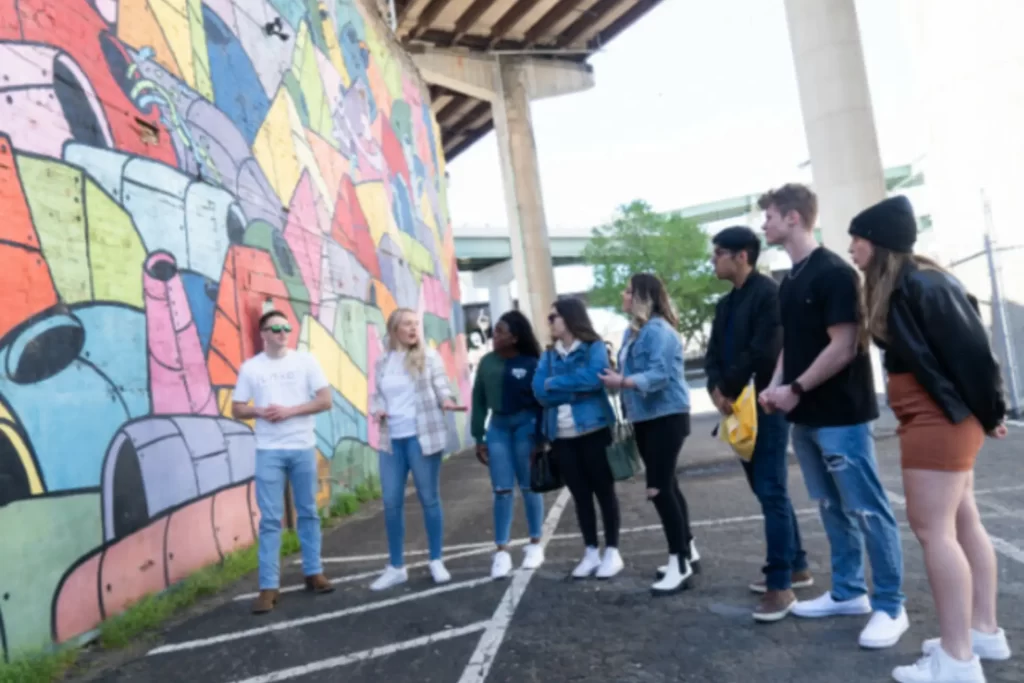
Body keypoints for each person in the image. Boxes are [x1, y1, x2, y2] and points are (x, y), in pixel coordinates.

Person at [849, 195, 1011, 682]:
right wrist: (984, 412)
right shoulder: (911, 284)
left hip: (936, 417)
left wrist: (990, 411)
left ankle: (958, 659)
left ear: (878, 241)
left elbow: (975, 355)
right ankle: (981, 633)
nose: (852, 248)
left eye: (857, 238)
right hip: (938, 415)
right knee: (962, 522)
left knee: (934, 531)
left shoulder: (920, 283)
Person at [757, 183, 908, 649]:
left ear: (794, 219)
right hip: (806, 416)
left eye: (769, 217)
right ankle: (847, 593)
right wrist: (777, 384)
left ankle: (890, 605)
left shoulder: (835, 273)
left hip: (841, 414)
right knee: (830, 506)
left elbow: (844, 346)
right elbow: (794, 344)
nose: (764, 225)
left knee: (867, 508)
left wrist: (795, 389)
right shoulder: (791, 278)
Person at [705, 226, 812, 622]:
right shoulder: (725, 305)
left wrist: (729, 386)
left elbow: (765, 348)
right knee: (766, 489)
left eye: (718, 253)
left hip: (766, 404)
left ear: (741, 256)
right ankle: (797, 564)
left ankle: (780, 586)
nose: (713, 260)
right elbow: (714, 352)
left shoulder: (769, 294)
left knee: (770, 489)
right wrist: (717, 389)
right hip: (737, 407)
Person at [599, 274, 697, 596]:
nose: (622, 295)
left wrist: (623, 382)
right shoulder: (634, 332)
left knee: (657, 489)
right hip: (646, 417)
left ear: (642, 296)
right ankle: (687, 550)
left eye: (628, 291)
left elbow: (659, 374)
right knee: (668, 485)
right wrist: (618, 377)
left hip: (666, 417)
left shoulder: (658, 331)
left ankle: (679, 563)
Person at [232, 310, 335, 615]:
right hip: (268, 450)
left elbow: (325, 400)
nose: (282, 332)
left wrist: (289, 411)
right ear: (263, 334)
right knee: (269, 519)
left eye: (286, 327)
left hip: (302, 446)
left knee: (308, 513)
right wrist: (261, 412)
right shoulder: (251, 368)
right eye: (275, 328)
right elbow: (238, 408)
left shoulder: (306, 361)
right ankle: (268, 587)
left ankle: (313, 573)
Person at [369, 307, 464, 591]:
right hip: (391, 441)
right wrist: (379, 410)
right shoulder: (383, 361)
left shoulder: (429, 356)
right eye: (407, 324)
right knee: (391, 502)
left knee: (429, 498)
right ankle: (396, 566)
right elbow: (376, 397)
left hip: (421, 437)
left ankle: (436, 560)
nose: (413, 329)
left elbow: (440, 386)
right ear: (394, 329)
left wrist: (447, 401)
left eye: (416, 324)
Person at [532, 298, 623, 580]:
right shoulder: (548, 356)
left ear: (569, 318)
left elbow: (594, 380)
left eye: (553, 317)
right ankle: (591, 551)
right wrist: (572, 389)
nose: (550, 322)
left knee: (604, 492)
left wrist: (555, 384)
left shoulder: (593, 348)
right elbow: (538, 391)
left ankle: (613, 552)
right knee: (580, 495)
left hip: (594, 430)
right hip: (561, 436)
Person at [470, 310, 547, 579]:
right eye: (496, 330)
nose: (495, 335)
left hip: (526, 426)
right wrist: (478, 437)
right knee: (501, 489)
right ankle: (501, 551)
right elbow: (478, 400)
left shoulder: (532, 363)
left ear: (515, 337)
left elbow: (541, 403)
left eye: (501, 331)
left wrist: (541, 437)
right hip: (498, 428)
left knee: (529, 486)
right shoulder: (487, 363)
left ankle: (535, 544)